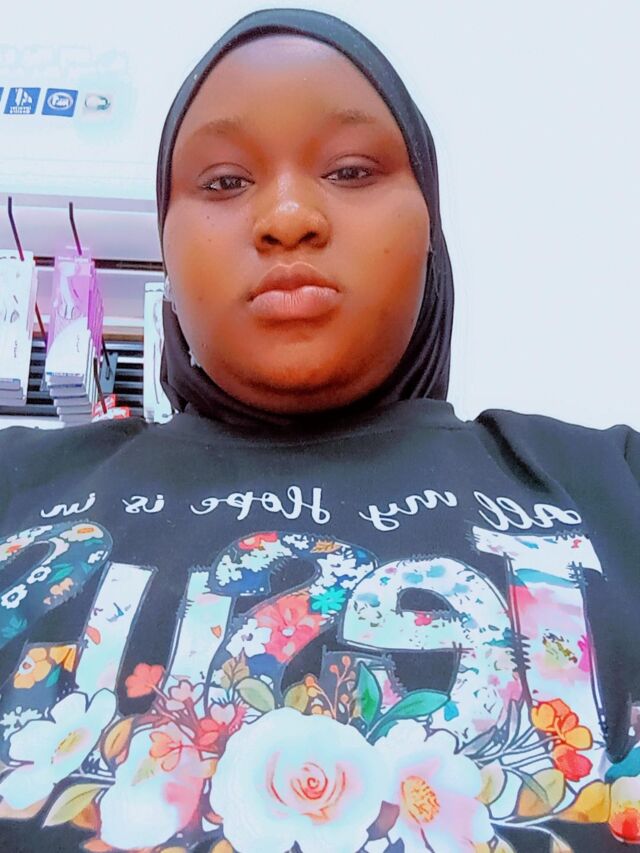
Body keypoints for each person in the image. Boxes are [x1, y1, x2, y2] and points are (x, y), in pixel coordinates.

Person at [0, 8, 638, 853]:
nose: (289, 215)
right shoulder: (15, 481)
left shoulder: (615, 481)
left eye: (350, 169)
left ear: (431, 231)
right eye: (224, 182)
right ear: (166, 247)